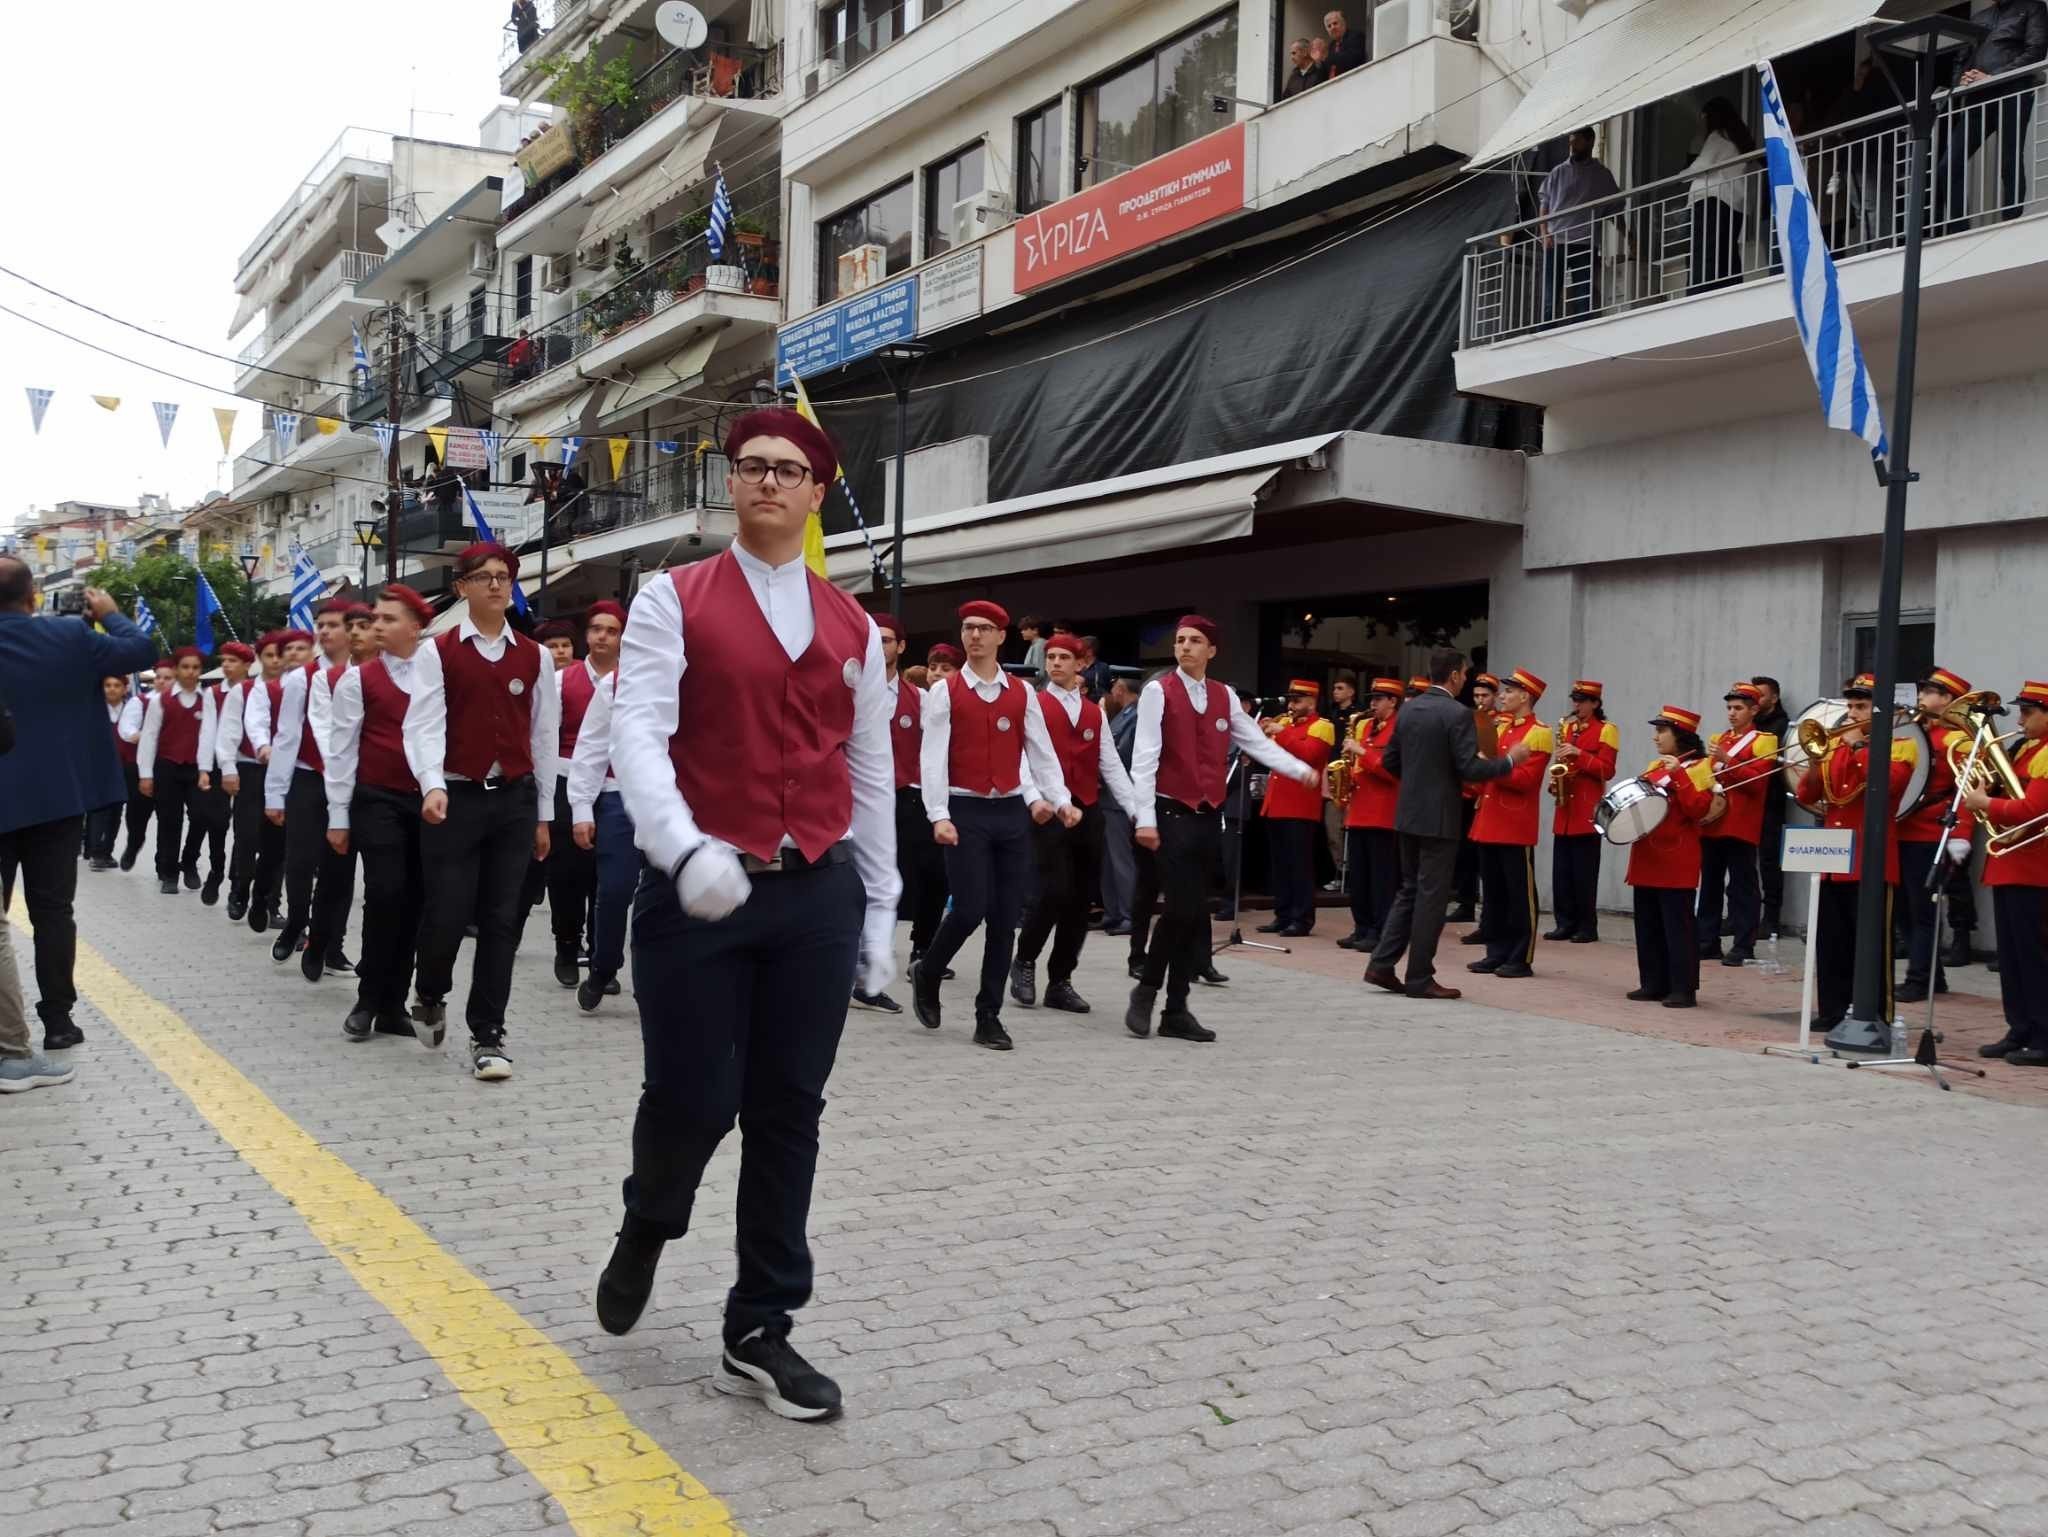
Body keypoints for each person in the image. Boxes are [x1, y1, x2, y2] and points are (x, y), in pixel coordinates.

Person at [598, 406, 899, 1423]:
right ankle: (649, 1217)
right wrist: (680, 846)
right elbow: (636, 730)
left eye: (788, 468)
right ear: (730, 485)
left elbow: (867, 767)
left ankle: (760, 1325)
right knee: (691, 1098)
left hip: (813, 885)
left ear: (816, 493)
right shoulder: (668, 597)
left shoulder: (855, 626)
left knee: (787, 1109)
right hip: (697, 887)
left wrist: (879, 903)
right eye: (749, 466)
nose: (766, 480)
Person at [404, 542, 560, 1082]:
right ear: (462, 587)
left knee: (501, 920)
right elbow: (421, 725)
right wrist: (430, 784)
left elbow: (543, 737)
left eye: (504, 576)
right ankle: (429, 991)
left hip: (514, 800)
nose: (496, 584)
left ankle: (488, 1032)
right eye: (484, 576)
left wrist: (544, 816)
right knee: (446, 914)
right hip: (456, 794)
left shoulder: (535, 656)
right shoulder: (438, 651)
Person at [1126, 617, 1321, 1042]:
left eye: (1195, 641)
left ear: (1211, 650)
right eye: (1180, 641)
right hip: (1169, 812)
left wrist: (1299, 769)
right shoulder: (1159, 691)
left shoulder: (1224, 695)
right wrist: (1143, 818)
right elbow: (1144, 757)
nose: (1185, 647)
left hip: (1206, 815)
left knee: (1194, 913)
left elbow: (1255, 741)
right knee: (1178, 909)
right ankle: (1146, 990)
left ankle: (1175, 1009)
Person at [0, 566, 155, 1057]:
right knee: (53, 913)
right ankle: (59, 1019)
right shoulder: (70, 635)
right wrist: (111, 615)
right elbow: (142, 651)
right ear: (33, 595)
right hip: (57, 799)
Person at [912, 599, 1076, 1051]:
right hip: (965, 811)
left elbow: (1040, 752)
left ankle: (989, 1016)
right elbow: (932, 758)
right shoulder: (946, 691)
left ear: (1002, 636)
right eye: (968, 628)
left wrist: (1059, 799)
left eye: (985, 628)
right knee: (968, 910)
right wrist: (938, 815)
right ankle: (927, 970)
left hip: (1009, 813)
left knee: (1005, 921)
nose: (975, 636)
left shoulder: (1022, 692)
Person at [1363, 649, 1525, 1001]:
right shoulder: (1456, 713)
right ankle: (1419, 977)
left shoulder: (1410, 709)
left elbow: (1391, 761)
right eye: (1465, 674)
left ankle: (1382, 963)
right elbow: (1470, 768)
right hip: (1439, 817)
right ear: (1453, 675)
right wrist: (1510, 761)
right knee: (1431, 898)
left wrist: (1420, 782)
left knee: (1409, 890)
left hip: (1408, 813)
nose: (1466, 680)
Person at [323, 585, 435, 1044]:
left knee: (416, 902)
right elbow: (342, 749)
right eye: (376, 620)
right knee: (385, 892)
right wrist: (338, 815)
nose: (377, 628)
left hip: (427, 801)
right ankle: (368, 998)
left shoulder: (437, 673)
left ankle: (393, 1004)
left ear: (415, 627)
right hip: (378, 798)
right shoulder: (359, 679)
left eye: (388, 620)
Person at [1010, 633, 1139, 1015]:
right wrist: (1032, 798)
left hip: (1088, 809)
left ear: (1081, 664)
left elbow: (1110, 763)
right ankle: (1026, 961)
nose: (1056, 663)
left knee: (1080, 900)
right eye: (1051, 657)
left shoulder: (1094, 711)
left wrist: (1136, 810)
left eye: (1064, 657)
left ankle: (1061, 980)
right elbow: (1020, 757)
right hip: (1048, 811)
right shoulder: (1033, 703)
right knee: (1051, 891)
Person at [1796, 673, 1916, 1035]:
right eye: (1850, 705)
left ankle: (1878, 1013)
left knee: (1873, 944)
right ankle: (1832, 1008)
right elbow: (1807, 795)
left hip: (1871, 858)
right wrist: (1816, 762)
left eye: (1861, 706)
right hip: (1834, 859)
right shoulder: (1835, 746)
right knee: (1831, 941)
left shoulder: (1901, 745)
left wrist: (1859, 747)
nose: (1851, 713)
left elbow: (1890, 785)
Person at [265, 600, 361, 981]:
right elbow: (286, 736)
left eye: (333, 624)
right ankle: (297, 923)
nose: (324, 631)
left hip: (349, 782)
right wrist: (275, 793)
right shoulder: (301, 678)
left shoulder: (363, 673)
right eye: (320, 624)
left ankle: (331, 945)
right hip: (307, 778)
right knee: (301, 862)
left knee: (340, 869)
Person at [1962, 678, 2048, 1065]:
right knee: (2012, 958)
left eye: (2029, 713)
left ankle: (2044, 1036)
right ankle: (2021, 1027)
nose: (2021, 719)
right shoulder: (2024, 748)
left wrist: (1986, 803)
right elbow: (2008, 796)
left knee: (2035, 957)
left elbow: (2034, 811)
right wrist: (1984, 785)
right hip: (2010, 861)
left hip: (2035, 866)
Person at [857, 615, 936, 1014]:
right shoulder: (855, 692)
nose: (880, 647)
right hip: (858, 801)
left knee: (896, 882)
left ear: (901, 647)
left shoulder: (918, 699)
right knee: (857, 884)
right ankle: (857, 972)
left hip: (905, 798)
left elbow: (932, 750)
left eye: (886, 640)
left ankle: (877, 970)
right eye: (874, 640)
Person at [545, 602, 624, 989]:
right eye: (596, 629)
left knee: (605, 875)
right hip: (566, 778)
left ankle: (599, 953)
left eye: (611, 630)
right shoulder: (564, 681)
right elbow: (547, 735)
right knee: (567, 872)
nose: (602, 636)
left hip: (614, 786)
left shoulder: (632, 679)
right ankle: (565, 942)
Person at [1624, 707, 1718, 1009]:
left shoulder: (1701, 767)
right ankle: (1652, 982)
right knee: (1648, 923)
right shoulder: (1654, 766)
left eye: (1661, 732)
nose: (1655, 738)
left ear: (1680, 736)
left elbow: (1699, 809)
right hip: (1648, 854)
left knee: (1678, 927)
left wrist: (1679, 775)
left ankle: (1683, 988)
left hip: (1676, 856)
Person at [1466, 669, 1554, 977]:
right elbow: (1489, 773)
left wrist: (1491, 766)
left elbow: (1525, 780)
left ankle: (1520, 956)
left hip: (1514, 825)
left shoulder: (1539, 733)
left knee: (1519, 895)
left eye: (1509, 692)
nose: (1502, 696)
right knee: (1494, 893)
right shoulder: (1500, 728)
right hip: (1490, 820)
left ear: (1525, 696)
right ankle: (1496, 950)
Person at [1935, 0, 2048, 235]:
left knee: (2009, 159)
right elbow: (1961, 59)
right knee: (1948, 165)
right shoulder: (1979, 17)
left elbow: (2036, 51)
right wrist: (1961, 81)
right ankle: (1959, 230)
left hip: (2013, 90)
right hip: (1978, 97)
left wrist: (1993, 76)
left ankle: (2011, 224)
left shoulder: (2032, 7)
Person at [1897, 666, 1972, 1004]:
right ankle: (1932, 977)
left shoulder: (1959, 740)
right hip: (1903, 828)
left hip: (1931, 831)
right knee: (1904, 910)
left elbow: (1967, 792)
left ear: (1947, 699)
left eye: (1929, 692)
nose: (1922, 697)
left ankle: (1918, 978)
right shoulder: (1913, 732)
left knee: (1922, 910)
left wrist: (1962, 834)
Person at [566, 660, 633, 1014]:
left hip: (682, 799)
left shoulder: (706, 675)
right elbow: (591, 747)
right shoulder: (615, 684)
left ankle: (660, 978)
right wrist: (581, 809)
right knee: (616, 888)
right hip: (618, 796)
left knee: (671, 896)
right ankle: (603, 966)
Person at [1697, 682, 1779, 967]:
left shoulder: (1764, 740)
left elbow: (1757, 783)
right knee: (1709, 883)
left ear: (1754, 709)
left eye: (1738, 708)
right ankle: (1707, 941)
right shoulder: (1720, 737)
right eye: (1729, 708)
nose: (1732, 713)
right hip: (1714, 821)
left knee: (1743, 886)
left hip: (1741, 822)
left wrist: (1726, 759)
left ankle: (1744, 944)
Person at [137, 646, 219, 897]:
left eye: (195, 667)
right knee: (169, 821)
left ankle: (190, 860)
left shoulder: (207, 699)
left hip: (196, 767)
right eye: (185, 667)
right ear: (175, 669)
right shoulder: (160, 701)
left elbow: (208, 735)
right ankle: (169, 873)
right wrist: (146, 774)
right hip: (167, 766)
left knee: (202, 815)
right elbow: (149, 737)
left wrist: (206, 769)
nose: (191, 672)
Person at [1257, 680, 1337, 937]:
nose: (1291, 706)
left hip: (1300, 805)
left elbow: (1310, 756)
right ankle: (1282, 914)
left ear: (1312, 701)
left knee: (1299, 865)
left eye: (1297, 701)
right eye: (1290, 700)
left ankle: (1302, 918)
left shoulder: (1322, 726)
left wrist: (1281, 732)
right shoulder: (1287, 725)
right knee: (1279, 864)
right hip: (1276, 802)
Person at [247, 630, 311, 932]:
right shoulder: (266, 690)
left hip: (310, 775)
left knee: (298, 850)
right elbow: (256, 721)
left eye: (302, 648)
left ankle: (291, 915)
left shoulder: (323, 683)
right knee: (272, 848)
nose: (295, 654)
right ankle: (261, 897)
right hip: (275, 771)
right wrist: (263, 745)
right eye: (290, 649)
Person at [1546, 680, 1619, 943]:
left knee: (1584, 874)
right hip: (1565, 810)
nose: (1576, 704)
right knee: (1562, 872)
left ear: (1595, 704)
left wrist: (1578, 753)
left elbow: (1607, 769)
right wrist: (1556, 782)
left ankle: (1587, 926)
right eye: (1575, 700)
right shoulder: (1567, 727)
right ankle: (1564, 922)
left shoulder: (1606, 730)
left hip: (1587, 810)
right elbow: (1560, 763)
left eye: (1582, 700)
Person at [215, 632, 280, 922]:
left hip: (285, 771)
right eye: (269, 655)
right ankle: (240, 888)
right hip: (250, 768)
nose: (276, 661)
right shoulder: (244, 690)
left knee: (279, 840)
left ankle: (270, 902)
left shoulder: (299, 686)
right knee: (248, 835)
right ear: (260, 659)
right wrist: (228, 768)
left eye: (281, 654)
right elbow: (228, 731)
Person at [1338, 677, 1403, 950]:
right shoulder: (1364, 726)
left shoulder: (1400, 730)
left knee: (1382, 879)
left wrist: (1362, 752)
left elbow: (1393, 772)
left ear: (1393, 702)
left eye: (1378, 699)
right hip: (1359, 811)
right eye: (1372, 699)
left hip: (1383, 815)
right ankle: (1361, 926)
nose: (1372, 704)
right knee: (1359, 877)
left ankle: (1380, 931)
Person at [187, 642, 254, 905]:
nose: (226, 665)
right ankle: (215, 872)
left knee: (244, 827)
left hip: (248, 765)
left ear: (247, 665)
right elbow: (208, 732)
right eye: (224, 660)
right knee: (216, 821)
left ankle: (237, 880)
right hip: (217, 766)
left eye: (233, 661)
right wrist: (204, 769)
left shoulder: (256, 690)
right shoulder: (213, 693)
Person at [1539, 127, 1625, 323]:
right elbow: (1544, 206)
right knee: (1551, 295)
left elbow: (1615, 211)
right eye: (1570, 141)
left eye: (1576, 141)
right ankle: (1546, 332)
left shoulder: (1602, 175)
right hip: (1557, 241)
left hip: (1585, 242)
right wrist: (1545, 235)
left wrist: (1629, 236)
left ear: (1590, 141)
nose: (1572, 145)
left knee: (1583, 293)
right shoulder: (1558, 172)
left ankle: (1580, 329)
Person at [1681, 97, 1755, 293]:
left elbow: (1700, 167)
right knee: (1726, 253)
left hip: (1710, 200)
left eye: (1703, 117)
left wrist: (1681, 175)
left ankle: (1699, 297)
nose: (1701, 122)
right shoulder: (1736, 138)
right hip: (1733, 203)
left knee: (1703, 255)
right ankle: (1729, 291)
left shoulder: (1718, 137)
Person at [1449, 671, 1498, 924]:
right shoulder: (1468, 718)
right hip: (1466, 791)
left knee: (1481, 856)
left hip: (1485, 794)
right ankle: (1465, 902)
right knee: (1464, 853)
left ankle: (1483, 909)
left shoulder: (1499, 722)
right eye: (1477, 695)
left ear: (1494, 697)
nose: (1480, 700)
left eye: (1485, 696)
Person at [1099, 674, 1142, 936]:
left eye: (1115, 687)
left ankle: (1129, 914)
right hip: (1107, 796)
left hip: (1119, 796)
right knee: (1108, 860)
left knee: (1121, 859)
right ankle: (1112, 912)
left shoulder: (1135, 717)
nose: (1113, 693)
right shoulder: (1122, 715)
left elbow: (1120, 755)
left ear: (1121, 689)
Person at [1752, 674, 1791, 934]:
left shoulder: (1781, 725)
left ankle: (1771, 918)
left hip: (1772, 800)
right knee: (1744, 861)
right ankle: (1740, 915)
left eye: (1760, 695)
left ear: (1774, 698)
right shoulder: (1752, 722)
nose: (1755, 700)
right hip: (1749, 800)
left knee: (1768, 860)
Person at [85, 675, 137, 871]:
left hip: (126, 766)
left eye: (117, 685)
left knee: (117, 810)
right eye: (107, 685)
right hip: (100, 766)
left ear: (125, 688)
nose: (112, 689)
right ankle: (96, 852)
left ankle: (107, 851)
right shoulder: (94, 710)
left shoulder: (133, 711)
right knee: (100, 809)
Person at [1324, 670, 1362, 870]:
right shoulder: (1330, 713)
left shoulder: (1359, 715)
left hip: (1351, 774)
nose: (1335, 692)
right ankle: (1339, 869)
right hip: (1333, 774)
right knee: (1332, 828)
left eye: (1340, 688)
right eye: (1334, 688)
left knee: (1350, 827)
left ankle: (1352, 871)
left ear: (1351, 691)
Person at [1324, 9, 1368, 76]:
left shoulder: (1356, 36)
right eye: (1329, 26)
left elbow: (1352, 60)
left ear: (1343, 23)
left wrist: (1328, 58)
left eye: (1335, 23)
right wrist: (1319, 63)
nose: (1332, 27)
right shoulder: (1331, 46)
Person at [1077, 636, 1114, 701]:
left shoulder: (1102, 668)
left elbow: (1104, 690)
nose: (1078, 651)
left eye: (1081, 648)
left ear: (1089, 652)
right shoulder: (1075, 666)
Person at [1017, 616, 1048, 684]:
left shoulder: (1040, 645)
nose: (1022, 632)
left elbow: (1039, 673)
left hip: (1039, 689)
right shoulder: (1035, 645)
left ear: (1035, 631)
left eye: (1025, 629)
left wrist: (1021, 683)